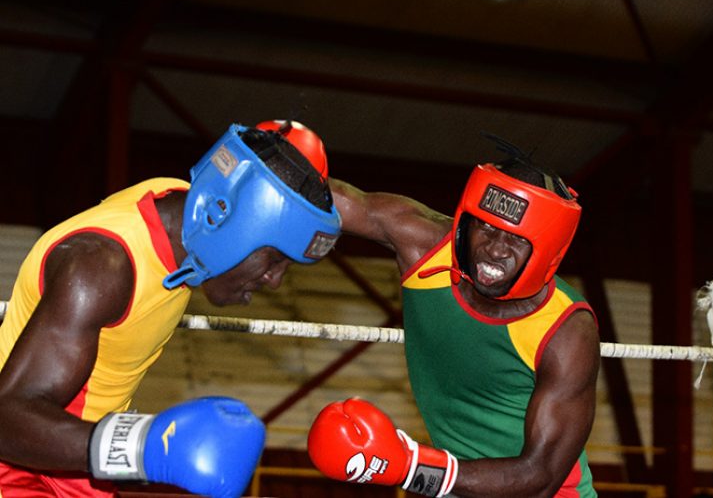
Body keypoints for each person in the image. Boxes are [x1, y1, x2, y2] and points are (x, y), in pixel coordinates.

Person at [0, 121, 341, 498]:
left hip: (72, 463)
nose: (274, 280)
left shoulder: (182, 204)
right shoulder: (100, 268)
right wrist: (143, 446)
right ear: (234, 225)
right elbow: (7, 416)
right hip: (20, 460)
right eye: (274, 259)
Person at [308, 134, 600, 497]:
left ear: (547, 250)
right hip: (462, 488)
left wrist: (411, 467)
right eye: (486, 226)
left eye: (515, 239)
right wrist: (263, 163)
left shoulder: (567, 329)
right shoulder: (425, 247)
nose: (493, 249)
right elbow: (340, 202)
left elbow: (539, 478)